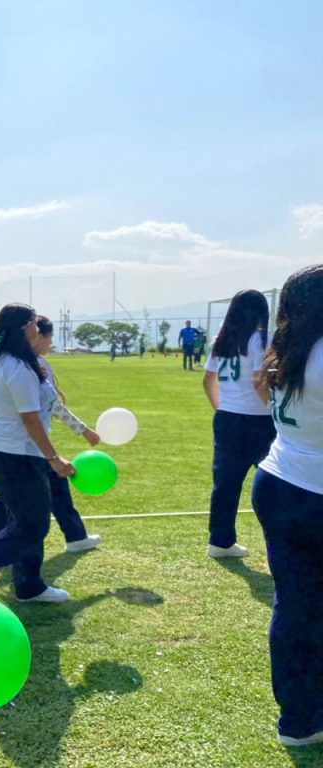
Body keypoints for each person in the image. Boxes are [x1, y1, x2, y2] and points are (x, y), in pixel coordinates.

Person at [0, 304, 76, 603]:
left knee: (24, 520)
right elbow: (30, 420)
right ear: (24, 329)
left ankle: (29, 586)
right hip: (15, 458)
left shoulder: (2, 360)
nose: (38, 326)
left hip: (0, 452)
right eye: (33, 322)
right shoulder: (18, 368)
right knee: (33, 525)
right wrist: (54, 459)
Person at [251, 265, 323, 747]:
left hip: (278, 482)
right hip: (311, 493)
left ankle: (298, 719)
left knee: (295, 605)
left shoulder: (286, 348)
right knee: (302, 608)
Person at [0, 316, 101, 555]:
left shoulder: (3, 361)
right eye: (47, 336)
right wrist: (82, 431)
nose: (50, 342)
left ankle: (75, 535)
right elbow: (48, 409)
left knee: (43, 488)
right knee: (23, 503)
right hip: (24, 448)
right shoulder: (29, 367)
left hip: (21, 446)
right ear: (35, 337)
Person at [201, 290, 274, 559]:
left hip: (227, 419)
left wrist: (222, 409)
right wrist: (273, 411)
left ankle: (219, 542)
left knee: (225, 483)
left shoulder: (221, 340)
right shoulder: (260, 339)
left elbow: (207, 381)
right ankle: (283, 542)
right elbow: (258, 380)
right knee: (276, 482)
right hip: (259, 420)